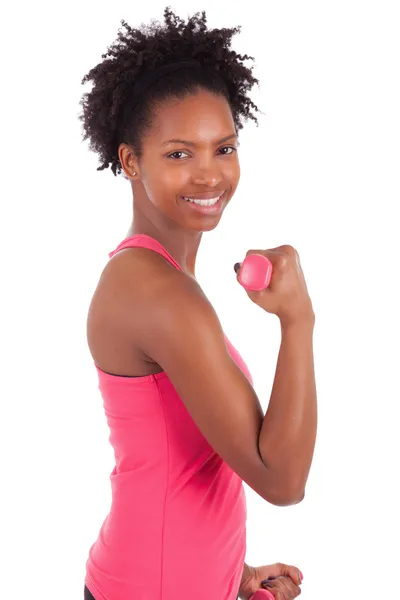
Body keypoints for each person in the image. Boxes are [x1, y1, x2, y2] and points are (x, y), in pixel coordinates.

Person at [78, 7, 317, 600]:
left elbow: (181, 463)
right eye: (180, 154)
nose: (210, 176)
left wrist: (229, 574)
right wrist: (298, 320)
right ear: (131, 160)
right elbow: (282, 481)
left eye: (224, 148)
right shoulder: (159, 293)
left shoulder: (160, 275)